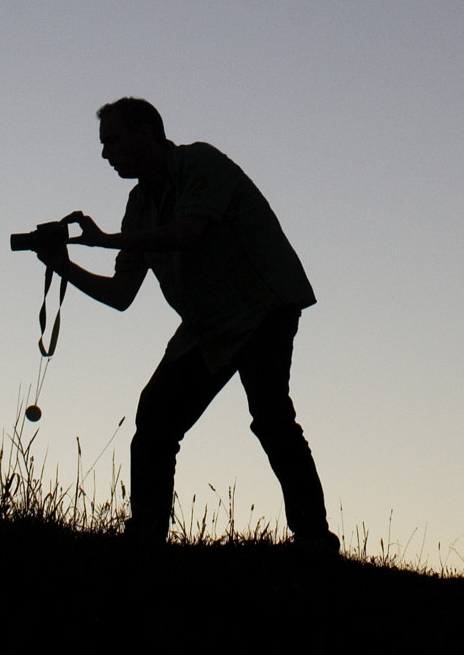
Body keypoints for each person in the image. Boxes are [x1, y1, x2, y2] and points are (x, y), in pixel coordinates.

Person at [32, 97, 341, 556]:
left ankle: (314, 539)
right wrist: (64, 266)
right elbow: (122, 296)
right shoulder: (138, 206)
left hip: (262, 305)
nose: (105, 154)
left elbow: (190, 232)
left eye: (112, 141)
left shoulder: (199, 162)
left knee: (271, 414)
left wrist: (104, 241)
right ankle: (146, 536)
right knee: (155, 415)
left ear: (147, 133)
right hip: (208, 325)